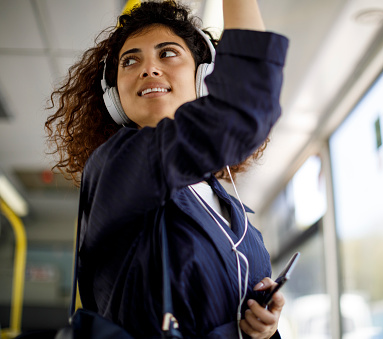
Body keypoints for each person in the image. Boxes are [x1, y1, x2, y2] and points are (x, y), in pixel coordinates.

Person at [45, 0, 289, 338]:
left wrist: (262, 327)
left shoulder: (235, 214)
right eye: (130, 61)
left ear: (203, 75)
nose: (149, 69)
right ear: (114, 96)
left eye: (168, 53)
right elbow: (242, 109)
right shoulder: (116, 167)